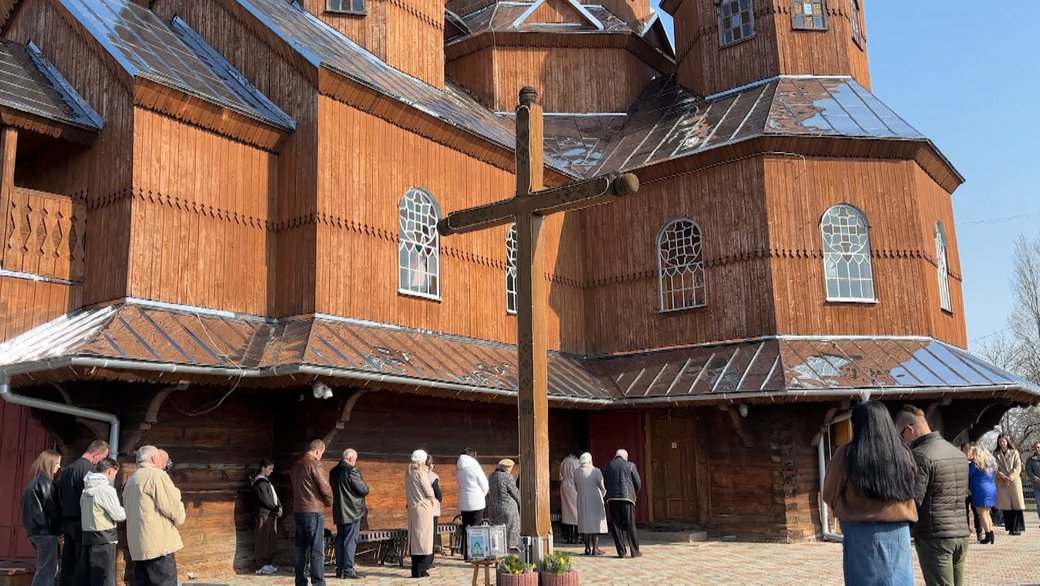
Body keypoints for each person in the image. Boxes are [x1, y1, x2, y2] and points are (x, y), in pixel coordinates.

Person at [822, 401, 918, 586]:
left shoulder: (847, 454)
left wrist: (851, 506)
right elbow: (912, 488)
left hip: (859, 531)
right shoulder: (904, 453)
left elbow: (829, 493)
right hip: (899, 531)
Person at [895, 405, 969, 586]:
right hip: (961, 533)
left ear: (910, 429)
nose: (903, 440)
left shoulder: (920, 455)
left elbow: (914, 500)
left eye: (901, 435)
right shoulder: (958, 453)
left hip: (934, 536)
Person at [123, 446, 185, 586]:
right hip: (158, 544)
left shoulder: (131, 479)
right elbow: (172, 506)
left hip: (138, 545)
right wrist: (180, 515)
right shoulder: (156, 475)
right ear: (154, 458)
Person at [59, 439, 110, 586]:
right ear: (96, 454)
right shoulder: (89, 471)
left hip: (67, 520)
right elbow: (94, 498)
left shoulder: (68, 468)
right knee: (81, 563)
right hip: (82, 522)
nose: (102, 462)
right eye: (103, 457)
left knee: (68, 562)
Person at [290, 439, 333, 586]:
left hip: (298, 510)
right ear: (318, 451)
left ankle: (300, 581)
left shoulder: (295, 466)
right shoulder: (314, 464)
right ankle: (318, 582)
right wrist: (329, 502)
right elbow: (325, 488)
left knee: (300, 548)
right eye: (322, 453)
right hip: (313, 510)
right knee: (317, 549)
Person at [80, 458, 125, 586]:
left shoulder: (85, 489)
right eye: (115, 472)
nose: (115, 476)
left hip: (88, 537)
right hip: (104, 538)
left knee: (90, 578)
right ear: (110, 470)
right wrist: (128, 511)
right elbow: (117, 515)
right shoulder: (106, 490)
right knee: (105, 578)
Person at [20, 450, 62, 586]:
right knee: (46, 571)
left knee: (45, 569)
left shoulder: (33, 483)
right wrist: (61, 528)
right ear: (50, 464)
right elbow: (53, 511)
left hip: (35, 532)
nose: (59, 466)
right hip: (45, 532)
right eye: (57, 463)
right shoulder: (46, 484)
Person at [329, 448, 368, 580]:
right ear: (351, 458)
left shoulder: (333, 471)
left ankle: (340, 569)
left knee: (340, 540)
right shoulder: (351, 470)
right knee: (350, 541)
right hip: (352, 511)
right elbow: (363, 489)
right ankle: (348, 570)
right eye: (355, 459)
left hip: (339, 510)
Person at [603, 448, 641, 559]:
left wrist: (609, 492)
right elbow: (638, 482)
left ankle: (621, 552)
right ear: (625, 457)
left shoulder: (609, 465)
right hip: (627, 499)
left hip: (613, 498)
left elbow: (605, 481)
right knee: (630, 525)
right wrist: (634, 493)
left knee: (616, 525)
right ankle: (635, 551)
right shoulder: (631, 465)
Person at [405, 449, 436, 578]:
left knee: (415, 538)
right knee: (423, 538)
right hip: (422, 507)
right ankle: (421, 568)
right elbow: (428, 490)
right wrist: (432, 499)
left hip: (413, 508)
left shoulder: (408, 472)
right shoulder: (420, 472)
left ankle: (415, 568)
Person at [455, 448, 488, 560]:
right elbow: (484, 484)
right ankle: (475, 553)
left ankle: (466, 553)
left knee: (466, 527)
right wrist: (482, 495)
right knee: (476, 528)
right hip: (476, 500)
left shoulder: (459, 468)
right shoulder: (474, 467)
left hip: (464, 501)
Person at [251, 458, 282, 575]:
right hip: (263, 513)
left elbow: (274, 497)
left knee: (270, 540)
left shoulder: (266, 481)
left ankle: (268, 563)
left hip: (270, 514)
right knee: (262, 539)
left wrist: (280, 507)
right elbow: (265, 499)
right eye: (270, 468)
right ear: (263, 468)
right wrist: (275, 508)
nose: (271, 471)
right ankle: (260, 565)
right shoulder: (259, 482)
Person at [573, 452, 607, 556]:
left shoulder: (576, 472)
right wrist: (603, 494)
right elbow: (602, 486)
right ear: (590, 460)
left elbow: (576, 486)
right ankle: (595, 548)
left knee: (584, 523)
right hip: (594, 499)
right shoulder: (596, 471)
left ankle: (587, 548)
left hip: (582, 499)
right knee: (595, 524)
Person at [993, 434, 1026, 535]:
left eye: (1003, 441)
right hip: (1002, 482)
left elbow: (1018, 466)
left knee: (1017, 506)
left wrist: (1010, 477)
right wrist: (1001, 476)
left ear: (1007, 441)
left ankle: (1018, 528)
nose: (1002, 443)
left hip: (1013, 481)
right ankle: (1010, 528)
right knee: (1006, 506)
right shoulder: (995, 453)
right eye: (1000, 442)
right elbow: (994, 467)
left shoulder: (1014, 452)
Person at [964, 443, 997, 544]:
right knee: (987, 513)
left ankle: (987, 535)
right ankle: (990, 533)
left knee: (982, 514)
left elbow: (967, 473)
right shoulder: (990, 464)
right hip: (990, 488)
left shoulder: (975, 464)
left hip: (980, 490)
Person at [487, 459, 521, 551]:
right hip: (508, 508)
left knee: (497, 533)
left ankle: (498, 552)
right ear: (507, 468)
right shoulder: (508, 477)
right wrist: (522, 505)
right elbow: (516, 493)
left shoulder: (491, 476)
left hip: (494, 508)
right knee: (508, 533)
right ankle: (507, 552)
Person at [559, 451, 580, 545]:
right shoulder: (576, 462)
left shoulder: (564, 461)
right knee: (576, 510)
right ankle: (576, 536)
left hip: (564, 486)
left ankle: (569, 536)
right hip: (573, 485)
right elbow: (578, 474)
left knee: (566, 511)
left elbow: (560, 476)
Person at [426, 455, 443, 569]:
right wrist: (439, 499)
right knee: (431, 535)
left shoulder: (417, 475)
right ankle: (429, 559)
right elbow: (438, 493)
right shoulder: (432, 476)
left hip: (422, 509)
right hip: (432, 508)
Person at [1027, 442, 1040, 526]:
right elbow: (1029, 471)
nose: (1037, 449)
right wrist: (1036, 478)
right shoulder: (1030, 460)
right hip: (1037, 485)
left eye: (1038, 447)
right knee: (1039, 504)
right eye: (1036, 447)